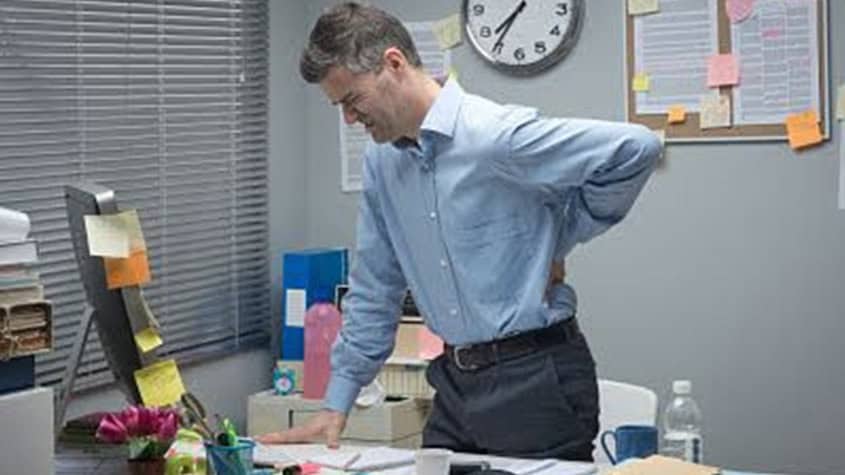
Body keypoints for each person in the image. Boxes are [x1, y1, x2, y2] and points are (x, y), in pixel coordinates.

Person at [256, 2, 662, 461]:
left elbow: (638, 148)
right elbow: (376, 287)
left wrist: (561, 235)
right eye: (340, 106)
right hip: (452, 382)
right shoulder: (382, 163)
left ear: (393, 64)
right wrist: (338, 402)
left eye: (352, 100)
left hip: (535, 379)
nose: (348, 119)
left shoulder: (493, 136)